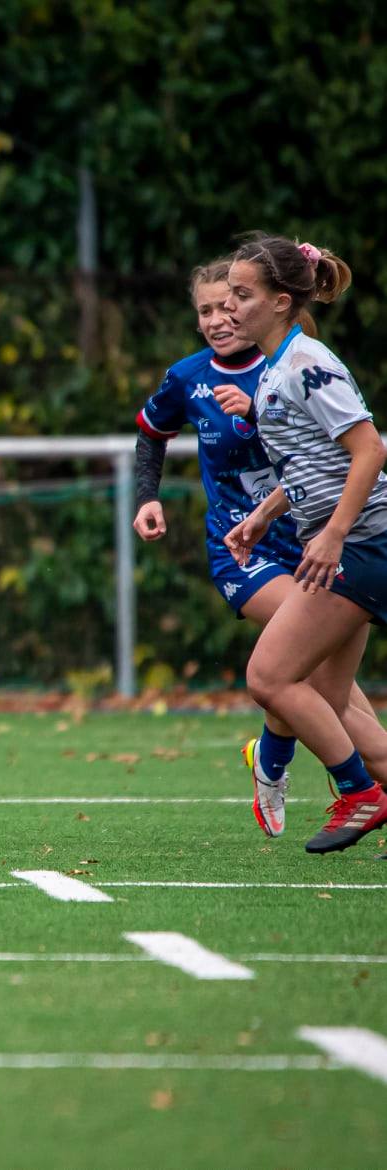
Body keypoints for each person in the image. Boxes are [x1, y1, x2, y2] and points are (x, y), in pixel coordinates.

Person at [131, 258, 387, 836]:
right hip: (250, 551)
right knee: (304, 682)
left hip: (331, 541)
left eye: (234, 300)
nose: (221, 317)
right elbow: (151, 433)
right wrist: (150, 497)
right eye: (207, 309)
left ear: (274, 303)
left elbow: (356, 448)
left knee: (310, 687)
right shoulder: (196, 376)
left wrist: (255, 418)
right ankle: (345, 785)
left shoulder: (290, 365)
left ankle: (287, 762)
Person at [222, 233, 387, 854]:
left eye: (242, 295)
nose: (230, 306)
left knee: (269, 677)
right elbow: (312, 465)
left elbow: (368, 449)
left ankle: (361, 793)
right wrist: (265, 514)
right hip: (357, 544)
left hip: (362, 544)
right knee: (328, 699)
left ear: (282, 301)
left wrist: (334, 534)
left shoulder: (306, 364)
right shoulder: (277, 369)